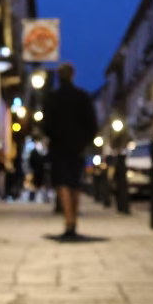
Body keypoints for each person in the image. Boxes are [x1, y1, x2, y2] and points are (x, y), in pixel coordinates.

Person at [41, 62, 99, 241]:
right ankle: (73, 222)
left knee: (63, 183)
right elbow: (92, 124)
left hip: (59, 145)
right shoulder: (82, 97)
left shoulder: (52, 98)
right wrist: (84, 141)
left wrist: (52, 136)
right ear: (73, 75)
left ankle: (68, 221)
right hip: (77, 146)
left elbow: (46, 125)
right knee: (75, 183)